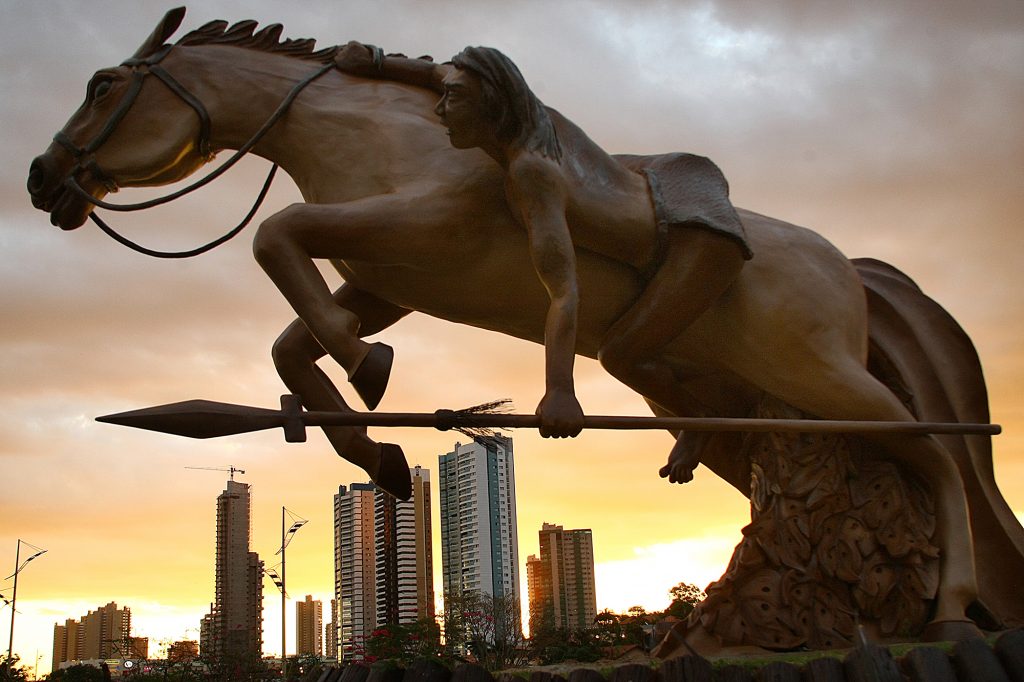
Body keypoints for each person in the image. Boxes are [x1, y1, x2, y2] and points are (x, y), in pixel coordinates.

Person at [335, 43, 752, 480]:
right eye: (446, 95)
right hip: (654, 184)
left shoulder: (530, 172)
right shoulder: (518, 108)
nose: (439, 110)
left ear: (491, 105)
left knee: (621, 355)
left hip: (693, 240)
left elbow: (563, 291)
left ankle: (695, 421)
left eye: (453, 101)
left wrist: (560, 390)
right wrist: (378, 64)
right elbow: (438, 74)